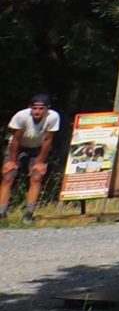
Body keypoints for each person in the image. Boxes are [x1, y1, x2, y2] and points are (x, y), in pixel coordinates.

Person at [2, 95, 60, 223]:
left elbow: (48, 139)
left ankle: (29, 213)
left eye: (41, 108)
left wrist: (40, 161)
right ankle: (2, 212)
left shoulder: (53, 117)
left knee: (36, 177)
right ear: (30, 108)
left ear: (47, 109)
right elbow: (16, 139)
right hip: (18, 147)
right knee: (8, 176)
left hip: (37, 148)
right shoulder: (21, 116)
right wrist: (12, 160)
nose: (37, 112)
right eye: (34, 108)